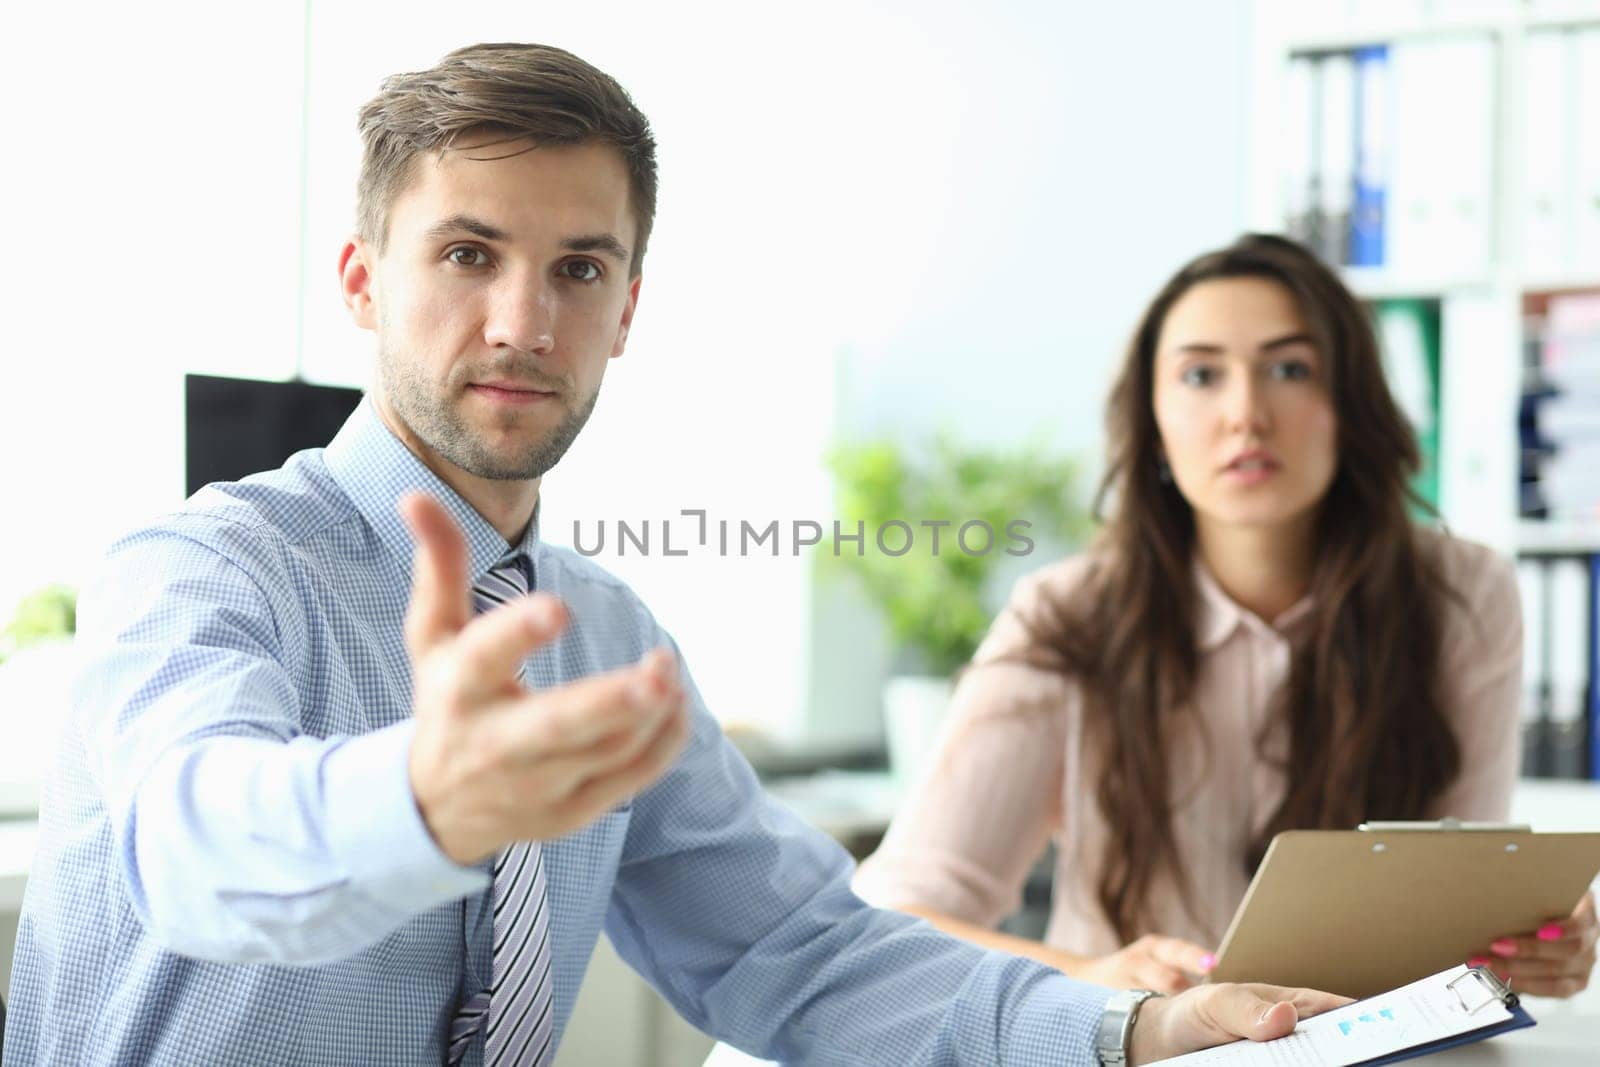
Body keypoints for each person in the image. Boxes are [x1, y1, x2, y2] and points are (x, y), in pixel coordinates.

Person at [3, 46, 1347, 1067]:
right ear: (361, 280)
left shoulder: (609, 637)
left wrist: (1142, 1027)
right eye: (468, 253)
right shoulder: (198, 566)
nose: (524, 320)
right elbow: (195, 843)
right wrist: (420, 797)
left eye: (580, 269)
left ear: (629, 306)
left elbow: (803, 950)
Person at [854, 233, 1599, 1001]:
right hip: (1134, 1046)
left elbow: (1458, 900)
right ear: (1153, 421)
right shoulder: (1066, 616)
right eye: (1202, 374)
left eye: (1289, 369)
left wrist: (1536, 938)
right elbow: (900, 913)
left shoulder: (1461, 595)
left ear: (1350, 403)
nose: (1246, 413)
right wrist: (1086, 976)